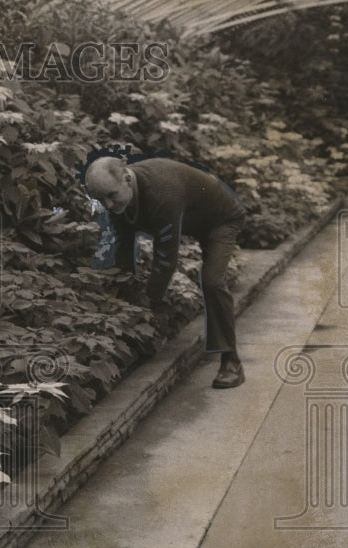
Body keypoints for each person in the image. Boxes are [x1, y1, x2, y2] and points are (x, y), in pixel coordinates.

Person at [83, 155, 248, 388]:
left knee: (212, 281)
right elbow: (123, 245)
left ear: (127, 178)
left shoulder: (162, 192)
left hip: (220, 220)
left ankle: (231, 361)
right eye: (101, 199)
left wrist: (147, 306)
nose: (108, 205)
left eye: (111, 196)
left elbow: (165, 259)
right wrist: (123, 296)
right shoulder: (119, 194)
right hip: (191, 217)